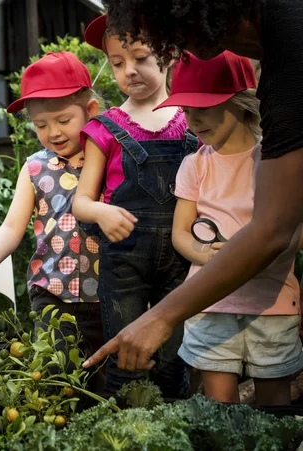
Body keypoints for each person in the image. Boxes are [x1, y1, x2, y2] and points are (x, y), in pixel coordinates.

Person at [83, 1, 303, 373]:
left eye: (168, 32)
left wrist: (161, 318)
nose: (173, 46)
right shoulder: (278, 53)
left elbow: (273, 228)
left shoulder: (291, 55)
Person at [163, 50, 303, 405]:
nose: (193, 119)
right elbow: (181, 233)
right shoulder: (194, 166)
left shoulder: (274, 160)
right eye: (186, 110)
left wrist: (262, 252)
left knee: (275, 410)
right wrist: (207, 254)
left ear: (239, 101)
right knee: (220, 412)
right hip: (211, 301)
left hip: (272, 302)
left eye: (203, 107)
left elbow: (295, 229)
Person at [73, 15, 197, 398]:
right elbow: (81, 202)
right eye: (117, 62)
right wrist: (101, 212)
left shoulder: (192, 119)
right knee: (125, 357)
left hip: (182, 259)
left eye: (141, 57)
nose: (129, 71)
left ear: (169, 53)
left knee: (175, 361)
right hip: (123, 263)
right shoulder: (105, 127)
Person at [0, 52, 105, 393]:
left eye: (62, 120)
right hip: (51, 293)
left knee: (107, 385)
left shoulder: (108, 155)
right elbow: (12, 227)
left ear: (90, 111)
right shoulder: (34, 167)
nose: (53, 132)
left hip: (107, 293)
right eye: (41, 125)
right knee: (57, 383)